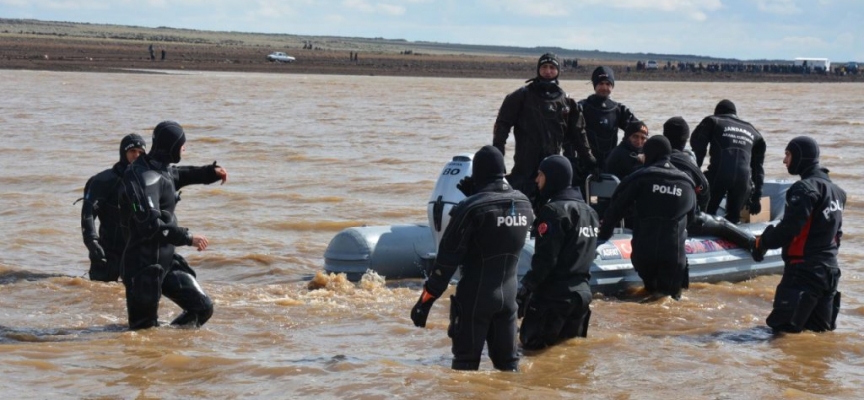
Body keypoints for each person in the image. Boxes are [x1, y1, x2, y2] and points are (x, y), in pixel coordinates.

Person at [410, 145, 534, 371]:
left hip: (475, 300)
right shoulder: (525, 204)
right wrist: (476, 195)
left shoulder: (469, 209)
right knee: (508, 370)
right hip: (508, 301)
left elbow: (445, 264)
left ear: (476, 173)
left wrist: (424, 302)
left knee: (464, 375)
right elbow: (498, 222)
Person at [120, 121, 228, 330]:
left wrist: (211, 172)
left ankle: (172, 347)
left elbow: (182, 174)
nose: (184, 149)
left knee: (202, 308)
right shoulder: (145, 178)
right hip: (143, 267)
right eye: (182, 144)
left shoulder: (161, 170)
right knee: (143, 333)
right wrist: (188, 238)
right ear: (172, 146)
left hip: (166, 263)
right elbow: (149, 226)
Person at [753, 136, 845, 333]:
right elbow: (838, 235)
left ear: (801, 157)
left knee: (781, 335)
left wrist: (763, 242)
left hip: (803, 272)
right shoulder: (838, 192)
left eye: (788, 154)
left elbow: (790, 228)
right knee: (816, 337)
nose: (785, 160)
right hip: (829, 273)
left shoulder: (804, 189)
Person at [598, 136, 697, 300]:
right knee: (669, 303)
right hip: (673, 255)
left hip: (644, 254)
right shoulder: (686, 182)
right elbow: (692, 218)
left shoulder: (639, 177)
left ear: (650, 154)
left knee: (648, 298)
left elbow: (615, 210)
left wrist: (602, 237)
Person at [517, 155, 598, 350]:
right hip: (582, 297)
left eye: (541, 175)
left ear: (552, 177)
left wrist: (524, 290)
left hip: (554, 298)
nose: (537, 180)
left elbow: (546, 260)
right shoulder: (590, 212)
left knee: (532, 353)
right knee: (568, 357)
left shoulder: (553, 211)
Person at [493, 53, 595, 201]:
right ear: (538, 70)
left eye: (552, 67)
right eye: (544, 67)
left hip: (552, 168)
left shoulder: (567, 101)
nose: (548, 71)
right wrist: (498, 159)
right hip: (524, 168)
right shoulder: (521, 96)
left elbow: (579, 135)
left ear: (558, 71)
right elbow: (502, 128)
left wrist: (590, 161)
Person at [663, 116, 759, 253]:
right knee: (722, 223)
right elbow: (704, 190)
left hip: (652, 218)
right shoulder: (688, 161)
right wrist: (701, 209)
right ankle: (755, 245)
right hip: (685, 221)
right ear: (685, 139)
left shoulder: (652, 157)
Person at [80, 134, 147, 282]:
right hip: (107, 250)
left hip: (135, 249)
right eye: (132, 151)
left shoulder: (147, 181)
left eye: (140, 152)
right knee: (100, 295)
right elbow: (88, 213)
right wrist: (91, 241)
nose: (136, 155)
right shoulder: (103, 181)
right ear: (123, 153)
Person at [690, 99, 766, 223]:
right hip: (743, 182)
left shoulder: (713, 121)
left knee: (705, 215)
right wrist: (757, 197)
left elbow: (698, 151)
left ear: (717, 113)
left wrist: (694, 180)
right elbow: (758, 169)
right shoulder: (754, 132)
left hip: (718, 176)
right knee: (734, 219)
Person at [578, 66, 639, 170]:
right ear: (594, 85)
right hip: (586, 163)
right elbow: (572, 136)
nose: (604, 87)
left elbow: (637, 131)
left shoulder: (619, 109)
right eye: (601, 83)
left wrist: (627, 153)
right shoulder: (582, 107)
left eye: (608, 84)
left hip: (611, 163)